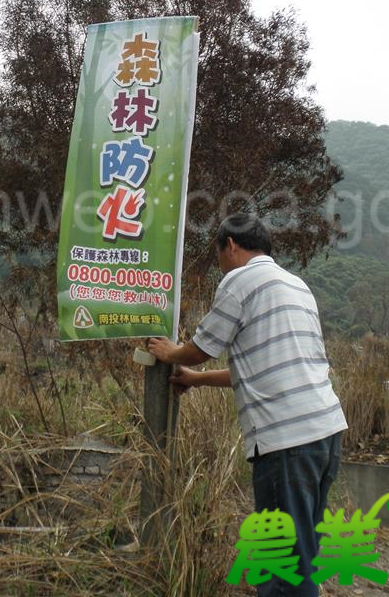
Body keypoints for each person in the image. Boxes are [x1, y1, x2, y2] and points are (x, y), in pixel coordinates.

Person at [148, 212, 347, 597]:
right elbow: (263, 369)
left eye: (218, 253)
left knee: (281, 566)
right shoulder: (297, 285)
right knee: (303, 555)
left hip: (287, 441)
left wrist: (172, 354)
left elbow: (203, 348)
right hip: (325, 434)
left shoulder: (240, 279)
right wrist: (194, 380)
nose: (219, 263)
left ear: (232, 246)